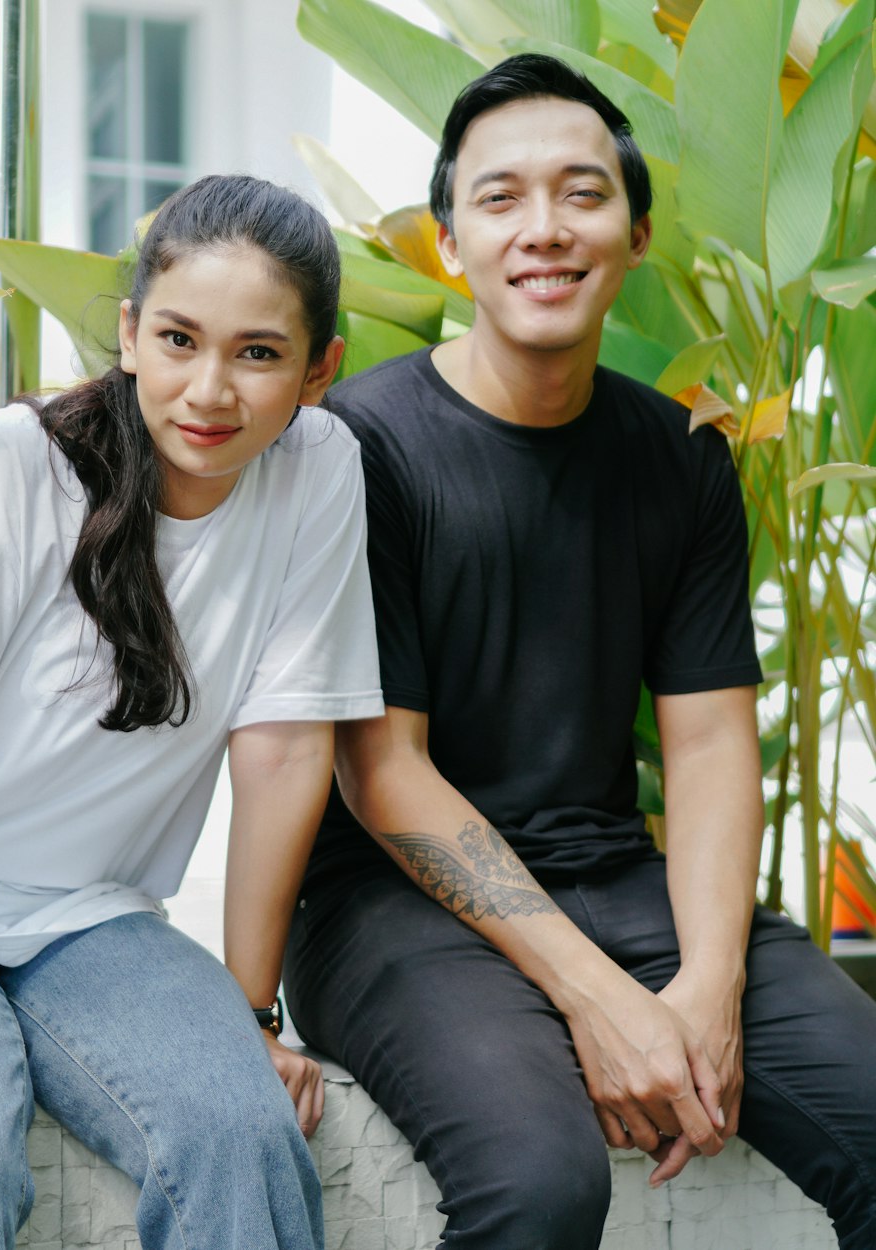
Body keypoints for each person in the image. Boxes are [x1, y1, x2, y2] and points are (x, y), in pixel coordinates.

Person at [283, 54, 876, 1250]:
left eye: (581, 193)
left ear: (637, 233)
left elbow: (707, 740)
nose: (543, 229)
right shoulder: (356, 451)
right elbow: (380, 769)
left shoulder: (680, 459)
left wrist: (705, 990)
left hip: (622, 880)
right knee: (541, 1184)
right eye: (499, 198)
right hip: (388, 902)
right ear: (448, 241)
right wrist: (598, 997)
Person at [0, 173, 383, 1250]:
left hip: (90, 915)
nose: (209, 389)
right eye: (179, 338)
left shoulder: (319, 470)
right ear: (128, 332)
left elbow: (287, 748)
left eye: (257, 352)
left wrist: (252, 1013)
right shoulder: (4, 476)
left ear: (320, 370)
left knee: (242, 1134)